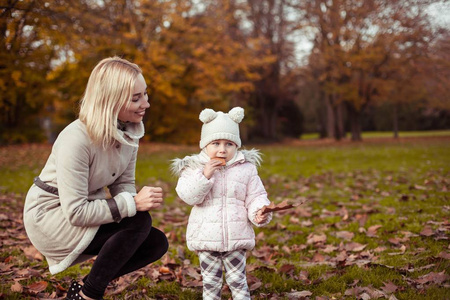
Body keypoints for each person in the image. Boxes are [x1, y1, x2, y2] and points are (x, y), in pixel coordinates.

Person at [23, 57, 169, 300]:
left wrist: (133, 200)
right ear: (110, 100)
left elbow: (122, 183)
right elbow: (76, 212)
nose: (146, 103)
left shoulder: (129, 132)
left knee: (156, 243)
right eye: (136, 98)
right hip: (51, 216)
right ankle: (89, 295)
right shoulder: (76, 139)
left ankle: (85, 289)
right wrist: (133, 204)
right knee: (138, 221)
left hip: (84, 208)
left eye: (145, 94)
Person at [170, 107, 273, 300]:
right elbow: (189, 196)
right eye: (215, 143)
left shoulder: (246, 169)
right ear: (205, 145)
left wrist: (260, 211)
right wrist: (205, 175)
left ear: (237, 146)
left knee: (238, 280)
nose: (222, 149)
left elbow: (255, 196)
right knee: (211, 283)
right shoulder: (194, 168)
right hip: (206, 238)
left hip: (236, 236)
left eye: (229, 144)